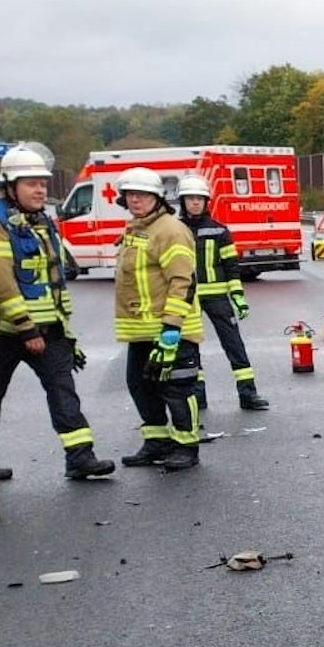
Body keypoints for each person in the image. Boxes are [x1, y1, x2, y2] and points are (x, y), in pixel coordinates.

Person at [0, 146, 114, 481]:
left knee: (63, 389)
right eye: (31, 183)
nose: (40, 190)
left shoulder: (40, 220)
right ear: (9, 185)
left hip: (48, 327)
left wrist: (63, 329)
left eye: (43, 184)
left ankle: (80, 456)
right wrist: (25, 327)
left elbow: (53, 278)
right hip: (2, 331)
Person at [112, 167, 203, 472]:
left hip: (170, 330)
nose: (135, 200)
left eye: (142, 195)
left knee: (177, 387)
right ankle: (157, 442)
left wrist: (171, 327)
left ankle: (186, 445)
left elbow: (182, 280)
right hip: (141, 330)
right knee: (140, 385)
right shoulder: (137, 230)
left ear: (157, 198)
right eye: (130, 195)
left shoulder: (170, 230)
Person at [177, 175, 269, 412]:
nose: (195, 203)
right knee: (190, 348)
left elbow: (231, 267)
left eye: (199, 198)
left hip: (217, 297)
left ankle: (248, 394)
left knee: (234, 344)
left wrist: (238, 296)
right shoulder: (176, 232)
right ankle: (198, 398)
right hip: (187, 299)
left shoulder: (219, 231)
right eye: (190, 198)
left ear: (206, 202)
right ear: (183, 201)